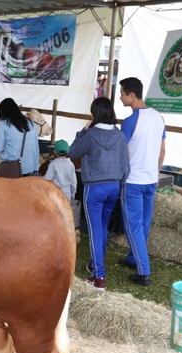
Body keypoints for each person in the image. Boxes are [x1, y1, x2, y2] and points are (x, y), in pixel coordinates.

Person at [68, 97, 130, 291]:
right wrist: (119, 184)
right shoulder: (120, 136)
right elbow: (125, 165)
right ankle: (95, 265)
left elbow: (72, 152)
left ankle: (99, 277)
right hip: (113, 187)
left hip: (94, 188)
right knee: (102, 228)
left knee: (95, 230)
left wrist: (82, 131)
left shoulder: (91, 134)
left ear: (95, 115)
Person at [117, 76, 166, 287]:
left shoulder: (129, 122)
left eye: (122, 94)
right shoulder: (158, 117)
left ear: (132, 95)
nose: (119, 98)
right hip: (151, 180)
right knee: (144, 223)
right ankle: (133, 258)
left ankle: (143, 271)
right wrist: (155, 173)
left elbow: (120, 153)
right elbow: (162, 150)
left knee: (133, 226)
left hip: (133, 181)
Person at [0, 98, 40, 176]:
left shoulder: (3, 124)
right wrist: (36, 170)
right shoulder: (31, 124)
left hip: (11, 169)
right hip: (29, 168)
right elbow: (36, 148)